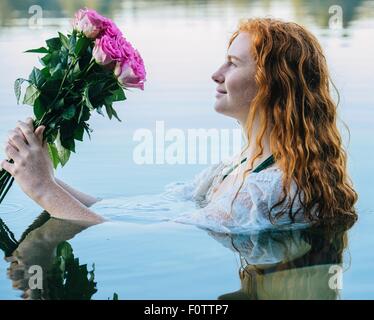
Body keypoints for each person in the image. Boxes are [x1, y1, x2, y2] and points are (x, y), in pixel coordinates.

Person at [1, 18, 358, 229]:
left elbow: (136, 239)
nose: (216, 74)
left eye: (234, 64)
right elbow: (126, 211)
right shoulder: (240, 166)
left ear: (272, 85)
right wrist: (37, 174)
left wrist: (45, 190)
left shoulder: (262, 191)